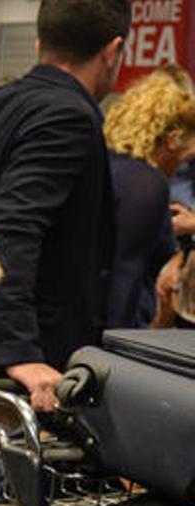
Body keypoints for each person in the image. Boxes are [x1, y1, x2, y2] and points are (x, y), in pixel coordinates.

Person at [0, 0, 129, 412]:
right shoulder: (68, 115)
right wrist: (19, 352)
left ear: (39, 42)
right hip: (26, 375)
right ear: (113, 52)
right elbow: (13, 228)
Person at [101, 69, 195, 327]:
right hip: (119, 326)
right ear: (173, 140)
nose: (179, 170)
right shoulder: (147, 184)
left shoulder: (106, 163)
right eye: (187, 157)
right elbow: (125, 280)